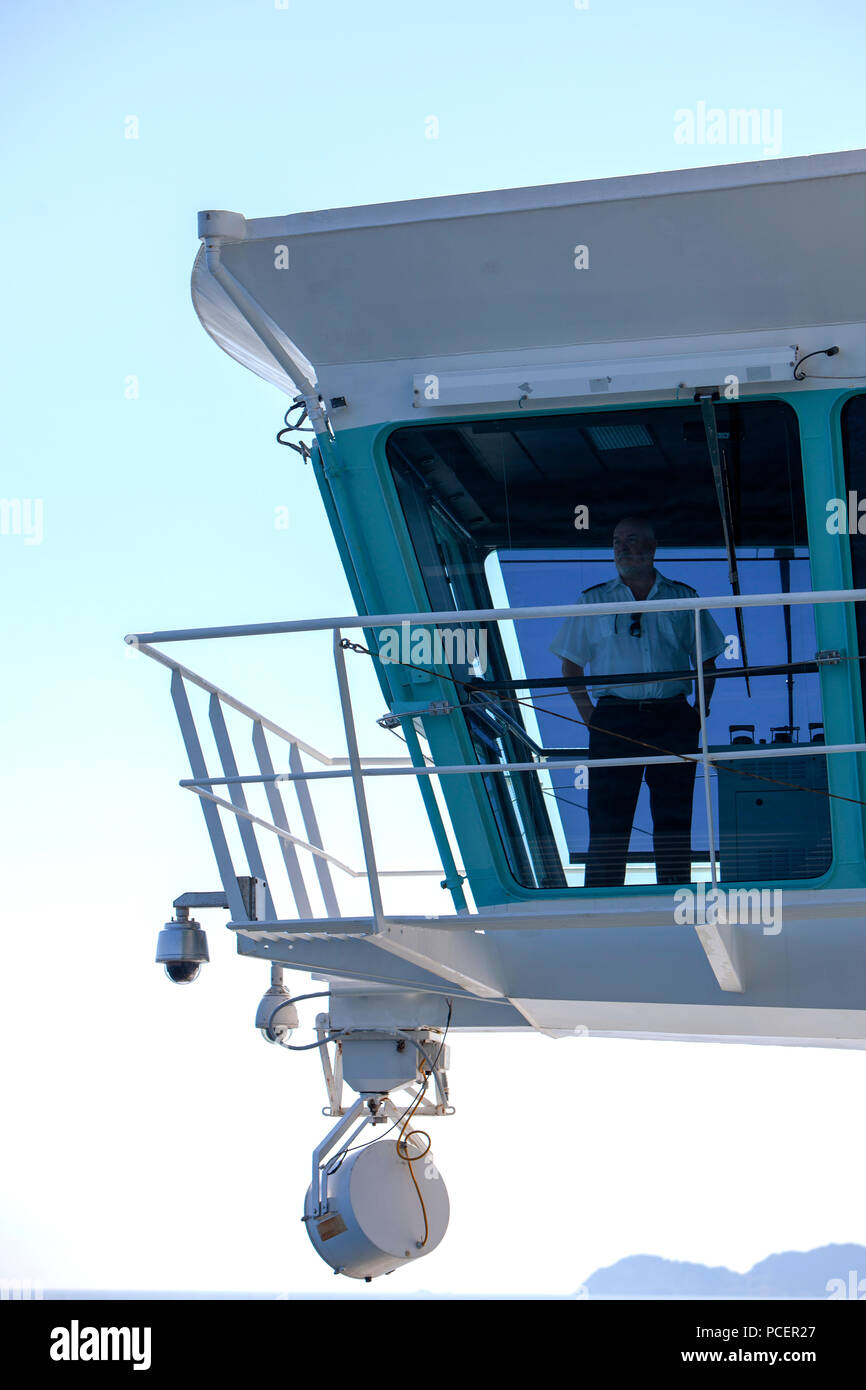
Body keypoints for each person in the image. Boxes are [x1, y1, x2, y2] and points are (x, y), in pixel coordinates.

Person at [551, 516, 725, 887]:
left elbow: (706, 658)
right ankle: (601, 902)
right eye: (616, 542)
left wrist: (699, 711)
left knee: (674, 813)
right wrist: (591, 718)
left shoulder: (684, 597)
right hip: (614, 718)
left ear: (652, 547)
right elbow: (571, 664)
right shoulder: (593, 600)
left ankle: (675, 893)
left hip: (673, 716)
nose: (622, 548)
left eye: (631, 540)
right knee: (608, 815)